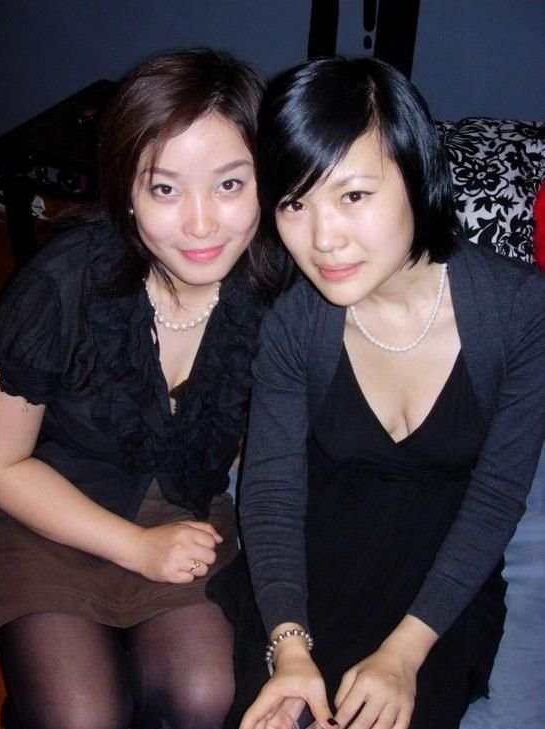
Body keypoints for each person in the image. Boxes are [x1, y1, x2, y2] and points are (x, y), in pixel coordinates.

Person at [221, 57, 545, 729]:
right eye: (295, 203)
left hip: (441, 580)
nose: (323, 239)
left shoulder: (519, 313)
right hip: (312, 563)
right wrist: (288, 646)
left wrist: (404, 654)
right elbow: (272, 492)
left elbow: (496, 497)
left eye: (354, 196)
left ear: (417, 176)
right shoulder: (294, 323)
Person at [0, 48, 267, 729]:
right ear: (127, 191)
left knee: (205, 696)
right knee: (82, 714)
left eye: (229, 184)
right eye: (165, 189)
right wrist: (136, 548)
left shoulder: (273, 286)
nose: (201, 224)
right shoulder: (62, 283)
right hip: (46, 512)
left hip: (182, 514)